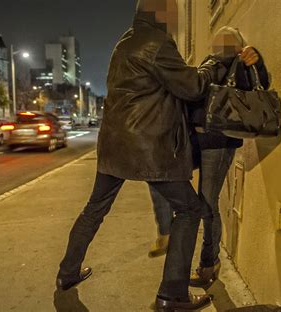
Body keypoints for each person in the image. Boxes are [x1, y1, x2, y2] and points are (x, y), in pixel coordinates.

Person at [56, 0, 234, 310]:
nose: (177, 18)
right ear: (159, 12)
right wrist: (211, 65)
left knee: (95, 208)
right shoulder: (158, 43)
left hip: (114, 145)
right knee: (190, 210)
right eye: (173, 11)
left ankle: (67, 273)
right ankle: (173, 294)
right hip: (148, 147)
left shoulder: (125, 41)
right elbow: (192, 87)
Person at [147, 27, 270, 287]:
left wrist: (256, 61)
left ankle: (208, 262)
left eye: (227, 43)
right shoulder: (208, 64)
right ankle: (167, 230)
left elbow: (262, 85)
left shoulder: (241, 63)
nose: (220, 46)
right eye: (218, 42)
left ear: (238, 46)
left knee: (207, 202)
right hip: (196, 141)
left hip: (218, 142)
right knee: (160, 172)